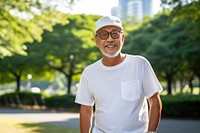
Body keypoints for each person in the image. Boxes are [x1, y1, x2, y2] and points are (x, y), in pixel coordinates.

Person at [75, 16, 163, 133]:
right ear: (96, 40)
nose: (110, 39)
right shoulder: (89, 72)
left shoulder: (140, 64)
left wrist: (151, 132)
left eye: (115, 34)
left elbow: (154, 101)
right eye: (104, 35)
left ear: (122, 38)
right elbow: (86, 109)